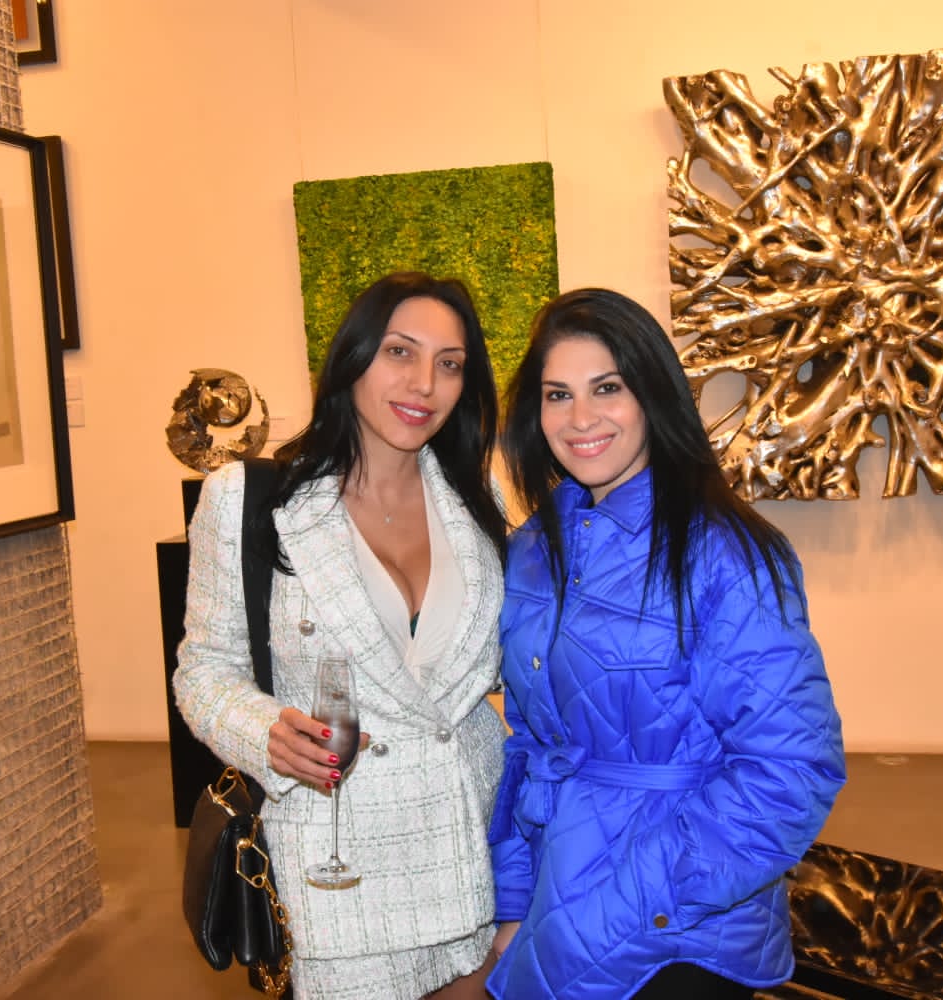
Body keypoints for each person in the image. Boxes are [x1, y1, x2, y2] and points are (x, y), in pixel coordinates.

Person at [486, 288, 845, 999]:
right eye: (558, 395)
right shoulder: (533, 550)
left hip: (679, 935)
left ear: (653, 395)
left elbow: (793, 767)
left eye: (607, 388)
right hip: (558, 913)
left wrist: (640, 900)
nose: (580, 418)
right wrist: (515, 901)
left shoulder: (725, 552)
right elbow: (532, 746)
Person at [174, 272, 508, 999]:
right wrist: (263, 731)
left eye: (450, 363)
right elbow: (203, 668)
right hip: (338, 864)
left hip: (468, 847)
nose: (424, 383)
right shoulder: (253, 500)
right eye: (399, 351)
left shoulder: (478, 503)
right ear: (353, 358)